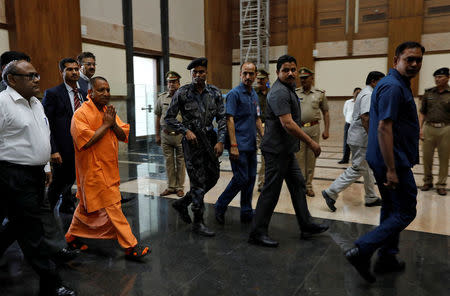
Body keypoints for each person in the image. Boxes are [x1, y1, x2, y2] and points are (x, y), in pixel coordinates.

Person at [345, 42, 424, 283]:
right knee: (407, 210)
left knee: (390, 207)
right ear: (396, 60)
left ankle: (387, 256)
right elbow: (384, 127)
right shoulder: (392, 87)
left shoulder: (396, 84)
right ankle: (362, 249)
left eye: (418, 60)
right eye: (408, 59)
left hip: (387, 158)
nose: (414, 64)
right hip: (392, 161)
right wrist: (391, 169)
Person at [0, 60, 76, 295]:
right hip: (12, 174)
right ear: (12, 79)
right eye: (30, 76)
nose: (37, 80)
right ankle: (51, 284)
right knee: (32, 231)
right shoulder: (2, 103)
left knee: (20, 224)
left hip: (34, 174)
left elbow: (42, 134)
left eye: (37, 75)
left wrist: (44, 168)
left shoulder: (36, 103)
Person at [248, 55, 328, 248]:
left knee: (298, 184)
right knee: (271, 191)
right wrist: (311, 143)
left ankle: (306, 224)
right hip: (276, 151)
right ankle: (257, 233)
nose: (291, 73)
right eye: (286, 70)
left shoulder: (288, 89)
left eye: (293, 69)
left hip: (286, 150)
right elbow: (288, 124)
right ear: (278, 73)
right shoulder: (278, 93)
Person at [65, 76, 149, 260]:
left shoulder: (107, 111)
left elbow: (122, 134)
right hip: (93, 170)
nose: (106, 94)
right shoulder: (81, 114)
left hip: (109, 168)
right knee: (113, 207)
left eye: (108, 90)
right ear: (90, 92)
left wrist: (111, 124)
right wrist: (106, 124)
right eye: (101, 90)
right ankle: (131, 246)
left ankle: (71, 236)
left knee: (85, 209)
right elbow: (85, 142)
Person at [165, 57, 226, 237]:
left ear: (206, 73)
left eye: (201, 72)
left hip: (210, 139)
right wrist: (185, 131)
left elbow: (222, 117)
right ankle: (198, 222)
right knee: (198, 181)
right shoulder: (182, 93)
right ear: (191, 74)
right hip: (192, 143)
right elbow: (169, 118)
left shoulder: (214, 92)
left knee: (213, 176)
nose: (198, 75)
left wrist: (221, 140)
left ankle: (183, 203)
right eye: (195, 73)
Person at [322, 72, 385, 212]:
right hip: (362, 139)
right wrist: (373, 138)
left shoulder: (366, 92)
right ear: (374, 81)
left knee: (367, 167)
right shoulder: (368, 94)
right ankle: (331, 192)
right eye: (381, 81)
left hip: (359, 137)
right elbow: (365, 118)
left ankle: (371, 197)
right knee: (358, 168)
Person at [214, 62, 264, 224]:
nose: (248, 77)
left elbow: (257, 119)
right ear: (240, 74)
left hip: (250, 145)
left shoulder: (254, 95)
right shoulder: (234, 94)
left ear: (255, 75)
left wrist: (264, 137)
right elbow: (230, 119)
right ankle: (220, 205)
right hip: (238, 145)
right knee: (241, 178)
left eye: (251, 74)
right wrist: (233, 145)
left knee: (250, 178)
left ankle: (246, 211)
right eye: (245, 74)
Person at [43, 58, 87, 213]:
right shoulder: (53, 93)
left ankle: (66, 205)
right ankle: (46, 214)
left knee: (72, 181)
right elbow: (45, 123)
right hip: (63, 148)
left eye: (76, 69)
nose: (74, 72)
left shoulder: (83, 93)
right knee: (58, 184)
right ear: (61, 72)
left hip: (82, 146)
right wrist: (53, 150)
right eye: (69, 69)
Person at [295, 67, 330, 197]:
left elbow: (325, 112)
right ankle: (299, 186)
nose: (303, 80)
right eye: (301, 78)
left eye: (305, 78)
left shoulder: (320, 93)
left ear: (311, 78)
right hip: (299, 129)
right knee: (299, 159)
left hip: (314, 129)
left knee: (311, 159)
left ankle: (308, 186)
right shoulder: (295, 93)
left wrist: (326, 130)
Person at [419, 67, 449, 196]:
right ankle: (427, 181)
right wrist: (420, 128)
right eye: (436, 77)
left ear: (447, 77)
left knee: (444, 159)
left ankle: (441, 184)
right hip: (429, 128)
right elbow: (422, 112)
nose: (437, 79)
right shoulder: (428, 93)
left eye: (440, 77)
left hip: (446, 129)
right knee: (426, 157)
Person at [155, 71, 185, 197]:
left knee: (180, 162)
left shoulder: (183, 98)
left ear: (178, 83)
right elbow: (157, 117)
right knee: (169, 162)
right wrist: (157, 135)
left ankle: (179, 187)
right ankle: (171, 186)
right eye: (169, 82)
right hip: (165, 135)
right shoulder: (161, 98)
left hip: (180, 135)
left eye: (173, 82)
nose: (171, 84)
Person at [255, 69, 270, 192]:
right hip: (254, 128)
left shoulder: (272, 94)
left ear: (267, 80)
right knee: (250, 157)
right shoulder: (253, 93)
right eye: (258, 79)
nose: (259, 81)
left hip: (268, 128)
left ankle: (262, 182)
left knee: (265, 158)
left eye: (262, 79)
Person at [338, 87, 361, 164]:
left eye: (359, 93)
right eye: (356, 93)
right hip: (348, 124)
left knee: (356, 143)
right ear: (353, 93)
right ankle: (345, 159)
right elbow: (345, 112)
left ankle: (356, 160)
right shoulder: (348, 102)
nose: (357, 94)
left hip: (357, 125)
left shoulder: (362, 102)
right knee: (346, 142)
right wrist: (348, 120)